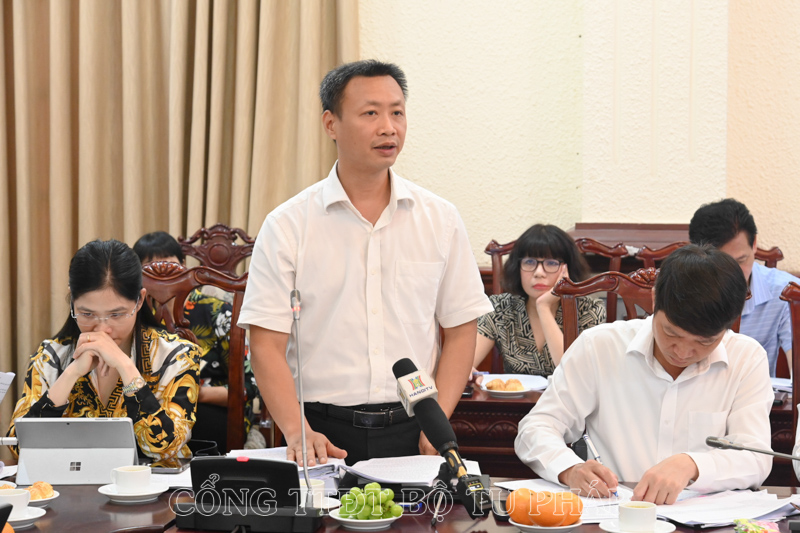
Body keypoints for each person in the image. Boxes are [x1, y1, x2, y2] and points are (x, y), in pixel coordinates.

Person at [238, 60, 492, 466]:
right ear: (331, 124)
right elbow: (266, 343)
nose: (388, 127)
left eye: (397, 112)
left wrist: (438, 420)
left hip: (415, 426)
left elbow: (462, 329)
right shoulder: (288, 225)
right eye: (371, 113)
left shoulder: (440, 219)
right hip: (320, 432)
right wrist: (297, 429)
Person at [515, 245, 773, 504]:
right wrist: (569, 469)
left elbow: (756, 457)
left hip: (705, 518)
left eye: (704, 342)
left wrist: (692, 465)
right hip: (614, 513)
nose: (682, 352)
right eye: (671, 333)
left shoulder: (746, 359)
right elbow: (536, 427)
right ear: (654, 298)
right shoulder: (600, 346)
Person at [7, 239, 200, 460]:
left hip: (152, 481)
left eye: (116, 314)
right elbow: (20, 447)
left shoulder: (176, 355)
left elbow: (164, 449)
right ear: (72, 301)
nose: (102, 329)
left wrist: (126, 367)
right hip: (72, 480)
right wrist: (71, 373)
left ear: (139, 301)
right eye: (87, 314)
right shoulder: (51, 357)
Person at [133, 231, 261, 451]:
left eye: (168, 265)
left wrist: (188, 393)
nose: (161, 275)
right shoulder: (133, 314)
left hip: (210, 408)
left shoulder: (218, 312)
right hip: (150, 407)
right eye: (150, 268)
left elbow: (249, 386)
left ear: (183, 265)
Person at [474, 224, 605, 377]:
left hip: (568, 393)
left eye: (551, 263)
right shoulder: (501, 307)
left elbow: (573, 374)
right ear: (517, 267)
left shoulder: (589, 310)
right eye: (529, 262)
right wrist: (470, 374)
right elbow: (464, 366)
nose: (539, 273)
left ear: (568, 269)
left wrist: (543, 306)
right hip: (516, 393)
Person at [689, 198, 798, 377]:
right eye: (722, 264)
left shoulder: (787, 292)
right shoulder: (683, 288)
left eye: (741, 260)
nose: (734, 274)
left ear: (754, 244)